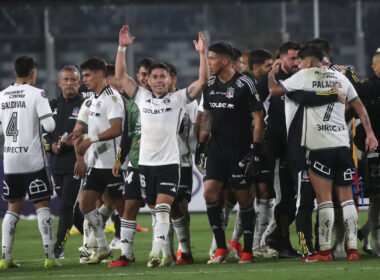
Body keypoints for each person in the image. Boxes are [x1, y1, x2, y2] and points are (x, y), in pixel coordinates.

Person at [272, 45, 378, 262]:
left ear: (309, 62)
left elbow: (275, 90)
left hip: (319, 146)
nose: (298, 65)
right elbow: (359, 107)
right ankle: (352, 250)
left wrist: (273, 73)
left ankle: (325, 251)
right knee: (347, 201)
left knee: (324, 201)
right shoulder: (340, 78)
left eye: (301, 61)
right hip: (342, 145)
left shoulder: (304, 76)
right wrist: (370, 134)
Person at [115, 25, 207, 267]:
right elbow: (121, 77)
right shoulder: (141, 97)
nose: (158, 81)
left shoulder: (178, 99)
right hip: (145, 165)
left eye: (162, 77)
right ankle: (165, 254)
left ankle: (156, 253)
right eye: (154, 77)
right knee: (156, 211)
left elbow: (203, 80)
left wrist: (202, 54)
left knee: (165, 208)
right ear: (148, 80)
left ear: (170, 80)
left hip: (169, 164)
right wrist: (122, 48)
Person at [197, 42, 265, 264]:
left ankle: (247, 250)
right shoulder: (210, 84)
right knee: (209, 193)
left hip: (240, 150)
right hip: (216, 150)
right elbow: (207, 115)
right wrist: (201, 143)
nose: (209, 63)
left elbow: (258, 117)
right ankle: (220, 248)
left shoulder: (245, 83)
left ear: (225, 61)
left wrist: (254, 148)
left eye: (212, 58)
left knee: (243, 197)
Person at [0, 56, 59, 268]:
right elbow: (50, 126)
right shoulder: (38, 94)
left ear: (15, 73)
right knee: (42, 204)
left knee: (12, 207)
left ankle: (5, 258)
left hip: (10, 159)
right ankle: (49, 258)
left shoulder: (2, 96)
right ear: (33, 74)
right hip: (33, 159)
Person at [72, 57, 126, 264]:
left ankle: (127, 251)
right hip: (96, 163)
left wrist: (91, 139)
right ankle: (102, 246)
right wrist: (75, 138)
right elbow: (83, 129)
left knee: (121, 208)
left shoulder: (112, 98)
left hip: (112, 163)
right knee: (86, 203)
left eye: (87, 75)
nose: (84, 79)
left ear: (100, 74)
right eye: (83, 75)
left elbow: (116, 129)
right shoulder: (92, 100)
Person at [43, 65, 85, 259]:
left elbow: (87, 133)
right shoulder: (51, 105)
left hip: (75, 164)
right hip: (56, 165)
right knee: (72, 209)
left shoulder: (85, 105)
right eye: (66, 79)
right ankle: (95, 239)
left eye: (73, 80)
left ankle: (58, 247)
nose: (69, 83)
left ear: (79, 82)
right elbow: (43, 135)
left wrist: (70, 145)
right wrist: (51, 146)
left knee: (66, 207)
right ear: (59, 82)